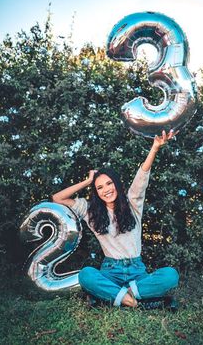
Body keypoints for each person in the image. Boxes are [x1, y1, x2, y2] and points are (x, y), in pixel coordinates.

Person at [52, 130, 179, 309]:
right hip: (111, 272)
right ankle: (137, 302)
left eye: (109, 184)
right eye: (100, 187)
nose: (106, 190)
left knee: (171, 275)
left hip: (137, 271)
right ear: (96, 192)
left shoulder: (132, 204)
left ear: (117, 185)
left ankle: (114, 296)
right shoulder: (91, 211)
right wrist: (88, 181)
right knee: (86, 275)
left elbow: (142, 177)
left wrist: (155, 147)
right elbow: (58, 198)